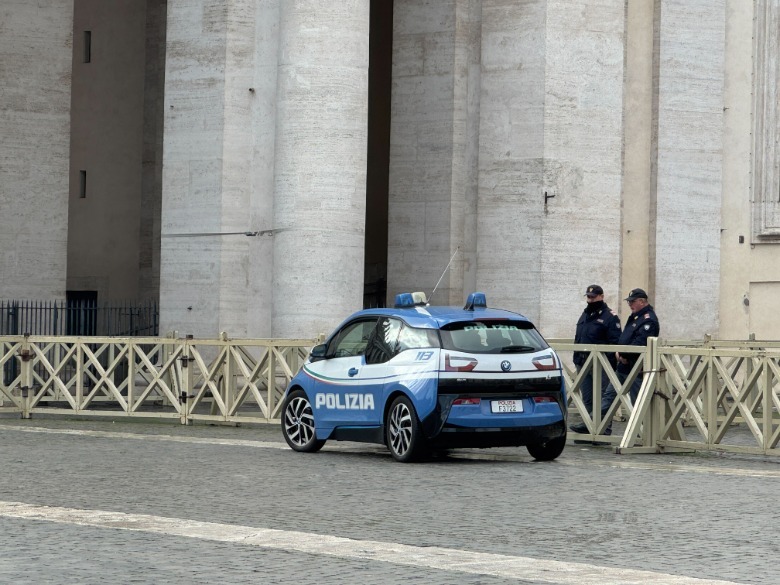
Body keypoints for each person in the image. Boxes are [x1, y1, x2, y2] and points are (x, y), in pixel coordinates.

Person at [597, 287, 660, 436]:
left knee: (637, 402)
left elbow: (640, 343)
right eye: (629, 301)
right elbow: (625, 338)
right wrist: (619, 351)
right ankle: (593, 424)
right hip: (623, 367)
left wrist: (622, 353)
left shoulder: (648, 319)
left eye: (632, 301)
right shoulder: (635, 316)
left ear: (642, 301)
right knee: (609, 397)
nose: (630, 304)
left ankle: (643, 434)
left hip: (636, 367)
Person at [569, 285, 621, 434]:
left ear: (601, 296)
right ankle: (589, 429)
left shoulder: (610, 317)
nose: (590, 300)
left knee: (602, 397)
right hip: (582, 362)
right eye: (589, 297)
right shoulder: (585, 314)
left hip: (601, 364)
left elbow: (615, 342)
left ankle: (603, 430)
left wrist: (609, 362)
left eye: (593, 297)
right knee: (587, 399)